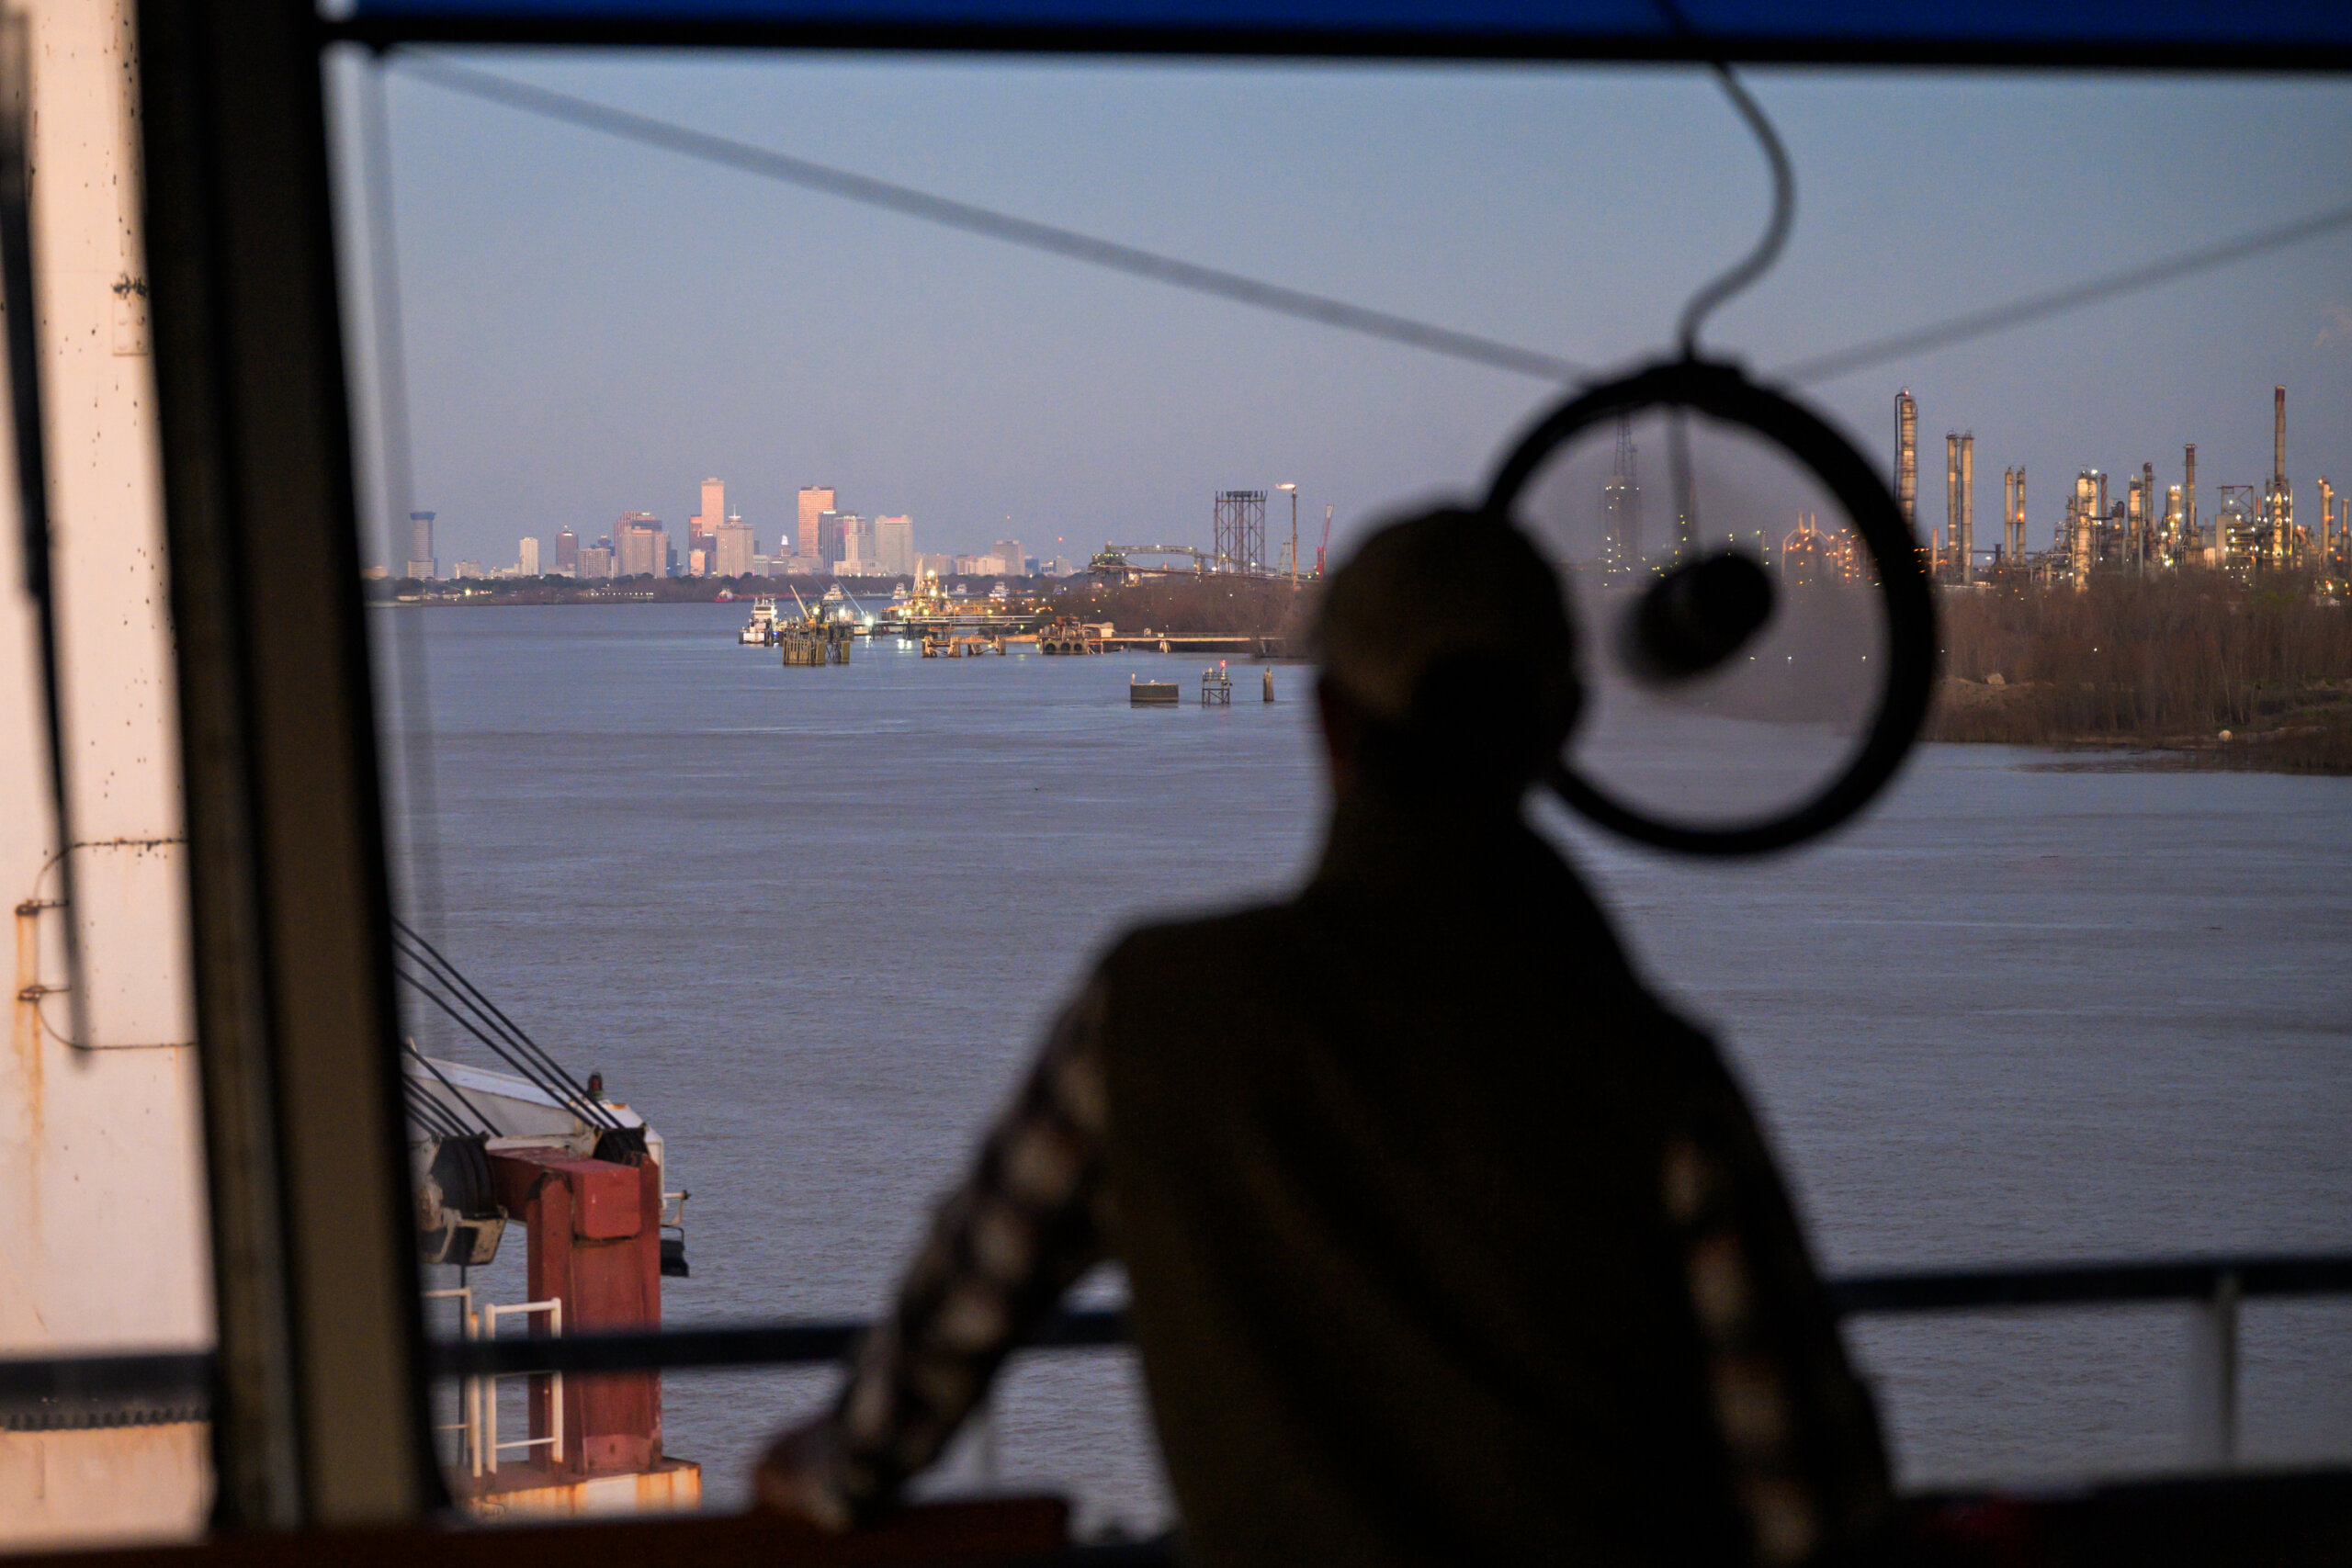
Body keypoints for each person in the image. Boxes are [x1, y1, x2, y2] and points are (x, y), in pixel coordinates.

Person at [755, 507, 1892, 1566]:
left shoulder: (1156, 1014)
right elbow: (1813, 1505)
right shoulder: (1656, 1074)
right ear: (1558, 730)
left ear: (1331, 722)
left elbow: (938, 1345)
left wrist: (823, 1474)